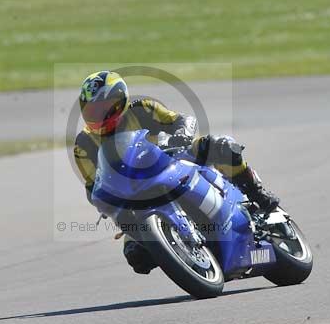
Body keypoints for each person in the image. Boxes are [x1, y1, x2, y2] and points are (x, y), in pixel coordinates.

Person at [74, 70, 280, 274]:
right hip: (133, 192)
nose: (97, 116)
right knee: (136, 255)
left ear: (120, 100)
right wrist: (105, 200)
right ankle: (178, 252)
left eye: (102, 109)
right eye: (91, 111)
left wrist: (181, 135)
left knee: (223, 145)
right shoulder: (83, 144)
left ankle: (256, 193)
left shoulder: (143, 108)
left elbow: (182, 120)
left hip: (172, 159)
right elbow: (93, 185)